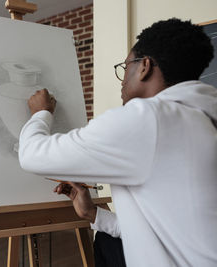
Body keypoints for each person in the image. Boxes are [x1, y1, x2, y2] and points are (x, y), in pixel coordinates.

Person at [18, 18, 217, 267]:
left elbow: (32, 155)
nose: (122, 80)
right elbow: (170, 230)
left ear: (144, 67)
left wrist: (41, 113)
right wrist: (94, 215)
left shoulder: (148, 119)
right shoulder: (203, 114)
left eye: (125, 67)